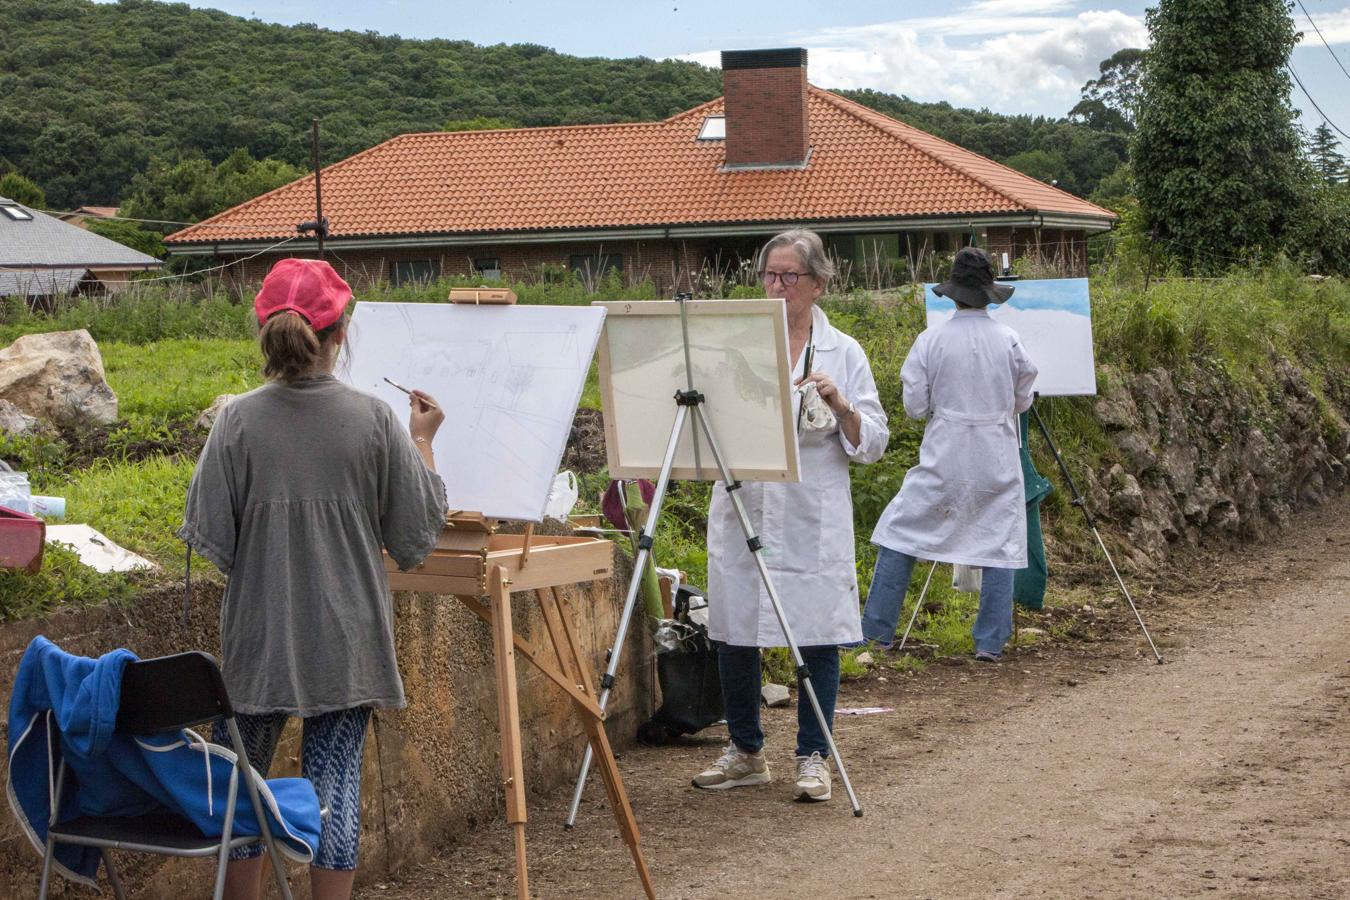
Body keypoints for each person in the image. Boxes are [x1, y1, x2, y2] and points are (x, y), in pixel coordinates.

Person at [178, 258, 449, 900]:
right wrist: (425, 442)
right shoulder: (378, 422)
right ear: (340, 334)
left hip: (257, 642)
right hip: (347, 639)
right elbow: (415, 539)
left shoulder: (236, 422)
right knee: (336, 789)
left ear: (265, 330)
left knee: (241, 790)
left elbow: (213, 540)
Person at [693, 229, 889, 802]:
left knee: (818, 631)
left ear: (818, 284)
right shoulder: (734, 345)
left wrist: (840, 405)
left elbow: (874, 442)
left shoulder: (844, 351)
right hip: (744, 499)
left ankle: (813, 755)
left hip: (811, 506)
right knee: (733, 627)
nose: (776, 287)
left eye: (788, 277)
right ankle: (747, 751)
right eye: (768, 276)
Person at [860, 246, 1038, 662]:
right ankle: (990, 642)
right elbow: (1022, 398)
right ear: (988, 294)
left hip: (946, 451)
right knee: (1000, 541)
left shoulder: (931, 339)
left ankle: (876, 632)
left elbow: (914, 406)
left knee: (900, 531)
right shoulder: (1009, 340)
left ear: (953, 293)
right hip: (995, 450)